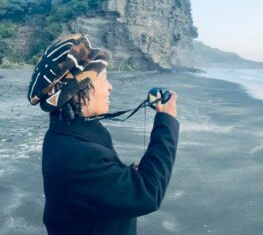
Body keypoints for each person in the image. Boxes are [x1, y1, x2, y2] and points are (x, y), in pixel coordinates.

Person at [28, 34, 180, 235]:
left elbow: (94, 185)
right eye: (104, 79)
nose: (110, 87)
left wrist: (124, 173)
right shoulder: (80, 155)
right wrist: (166, 122)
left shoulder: (66, 134)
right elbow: (146, 194)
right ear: (79, 91)